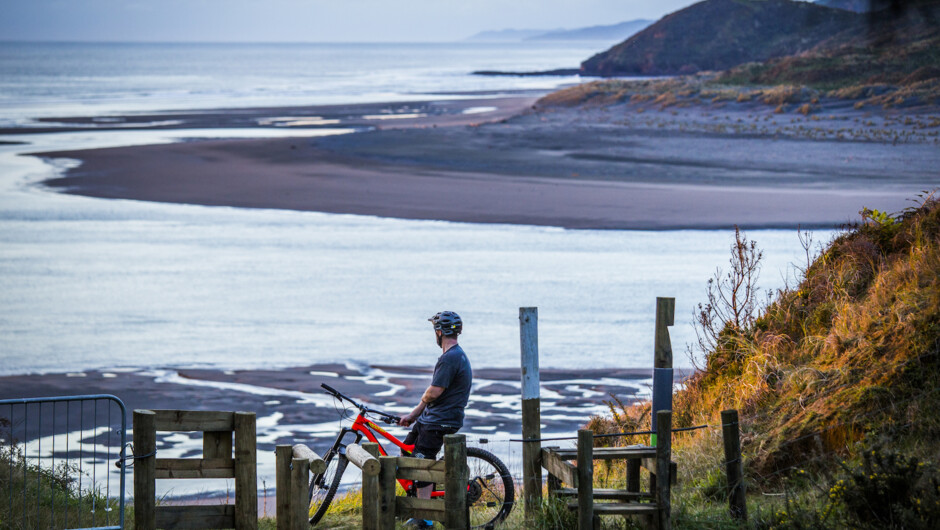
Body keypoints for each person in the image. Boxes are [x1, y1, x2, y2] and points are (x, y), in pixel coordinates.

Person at [398, 310, 473, 527]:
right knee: (406, 450)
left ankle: (425, 519)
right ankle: (417, 504)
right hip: (430, 418)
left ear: (439, 332)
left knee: (422, 465)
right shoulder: (454, 355)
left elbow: (433, 392)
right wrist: (414, 415)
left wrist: (421, 403)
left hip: (439, 421)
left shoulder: (450, 358)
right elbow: (432, 397)